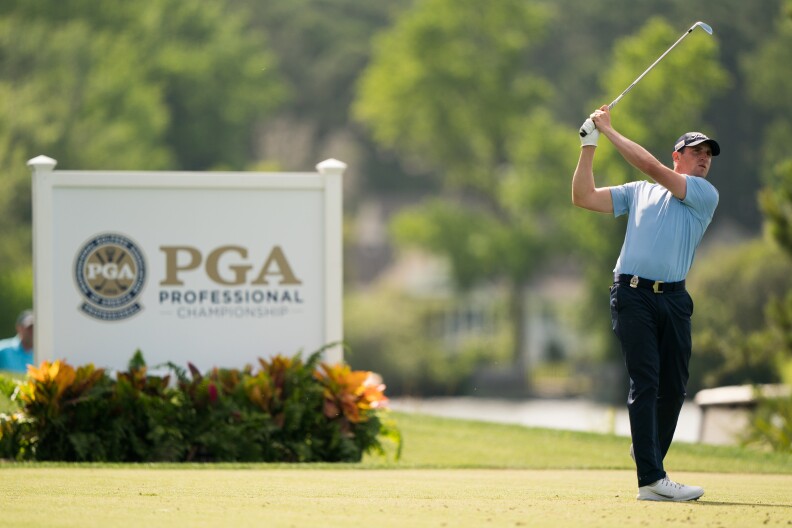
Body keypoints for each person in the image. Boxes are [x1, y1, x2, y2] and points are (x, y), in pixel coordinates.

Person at [572, 105, 719, 502]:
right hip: (632, 295)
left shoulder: (704, 194)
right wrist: (590, 145)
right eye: (697, 152)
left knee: (673, 387)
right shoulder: (638, 193)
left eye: (708, 154)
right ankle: (651, 479)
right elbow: (583, 197)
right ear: (679, 155)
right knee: (646, 380)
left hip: (674, 300)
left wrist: (610, 130)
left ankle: (647, 452)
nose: (705, 158)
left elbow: (652, 167)